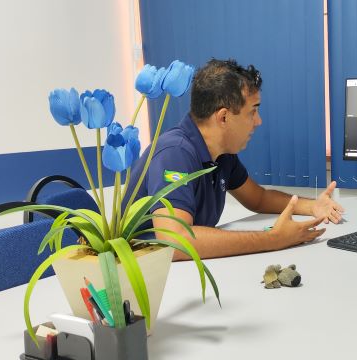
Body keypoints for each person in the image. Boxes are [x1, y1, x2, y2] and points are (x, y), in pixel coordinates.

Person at [125, 59, 344, 260]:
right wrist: (273, 239)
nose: (258, 121)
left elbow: (258, 198)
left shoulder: (221, 154)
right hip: (155, 284)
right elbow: (175, 241)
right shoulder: (175, 152)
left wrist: (313, 206)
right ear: (223, 117)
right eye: (253, 111)